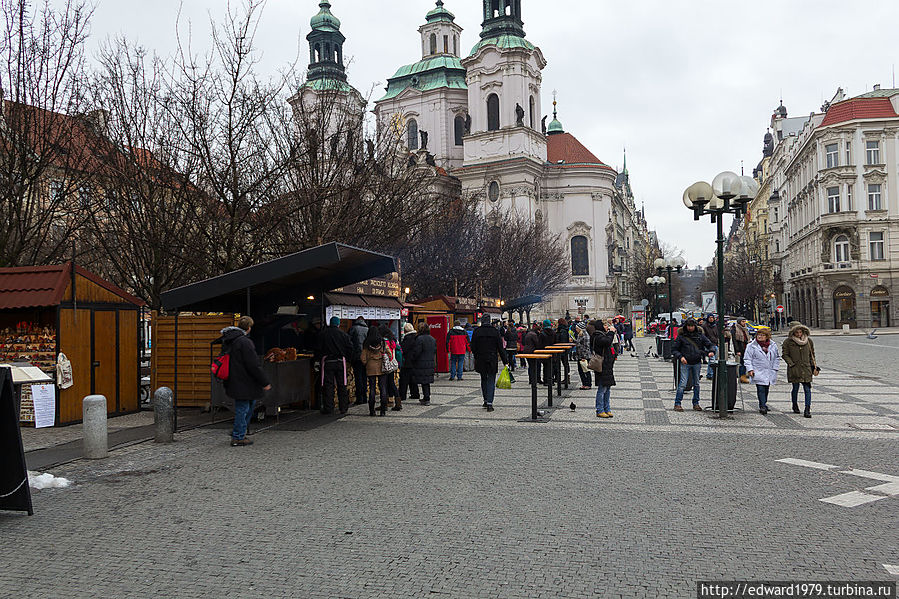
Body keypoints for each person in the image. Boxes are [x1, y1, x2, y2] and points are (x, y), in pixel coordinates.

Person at [221, 316, 271, 446]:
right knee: (243, 408)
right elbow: (253, 365)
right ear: (249, 328)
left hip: (235, 379)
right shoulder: (244, 342)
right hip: (245, 381)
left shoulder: (229, 340)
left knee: (246, 407)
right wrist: (264, 381)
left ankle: (239, 431)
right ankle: (238, 436)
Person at [671, 318, 714, 412]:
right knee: (682, 383)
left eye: (692, 326)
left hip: (696, 362)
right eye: (689, 326)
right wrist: (680, 357)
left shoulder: (700, 336)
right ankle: (677, 403)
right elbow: (674, 349)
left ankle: (696, 403)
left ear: (695, 326)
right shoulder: (681, 336)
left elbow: (709, 344)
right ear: (686, 327)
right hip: (685, 362)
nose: (690, 328)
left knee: (696, 384)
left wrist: (711, 351)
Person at [470, 314, 508, 411]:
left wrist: (476, 354)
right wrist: (505, 361)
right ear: (490, 321)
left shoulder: (477, 331)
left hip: (481, 358)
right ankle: (490, 403)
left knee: (483, 379)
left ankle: (486, 400)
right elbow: (500, 347)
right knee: (491, 379)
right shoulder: (494, 331)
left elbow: (473, 347)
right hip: (492, 358)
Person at [782, 323, 818, 418]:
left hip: (806, 368)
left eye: (800, 332)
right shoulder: (788, 342)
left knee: (807, 389)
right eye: (797, 332)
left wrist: (813, 366)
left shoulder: (809, 341)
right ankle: (794, 404)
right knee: (795, 388)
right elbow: (785, 354)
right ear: (793, 332)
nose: (799, 334)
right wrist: (791, 364)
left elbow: (812, 354)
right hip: (795, 368)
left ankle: (807, 409)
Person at [318, 316, 353, 415]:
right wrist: (348, 358)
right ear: (338, 324)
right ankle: (343, 408)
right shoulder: (344, 335)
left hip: (327, 361)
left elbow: (318, 348)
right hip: (340, 361)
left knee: (328, 385)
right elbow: (350, 348)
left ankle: (328, 408)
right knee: (342, 385)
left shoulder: (323, 334)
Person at [743, 328, 780, 415]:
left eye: (762, 335)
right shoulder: (751, 346)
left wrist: (775, 368)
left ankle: (764, 403)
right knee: (760, 388)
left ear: (767, 337)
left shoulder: (773, 345)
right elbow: (747, 359)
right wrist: (750, 369)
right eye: (759, 335)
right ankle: (762, 405)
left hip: (769, 370)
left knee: (766, 388)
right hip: (758, 370)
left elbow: (777, 357)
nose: (760, 337)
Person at [360, 327, 388, 416]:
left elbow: (363, 358)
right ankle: (383, 411)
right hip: (381, 366)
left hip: (370, 366)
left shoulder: (366, 343)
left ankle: (372, 411)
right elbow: (388, 353)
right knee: (383, 388)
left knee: (372, 388)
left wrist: (366, 363)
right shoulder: (382, 342)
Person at [407, 323, 436, 405]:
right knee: (426, 381)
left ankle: (426, 398)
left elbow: (417, 352)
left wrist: (412, 359)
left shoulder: (419, 339)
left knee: (424, 381)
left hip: (421, 363)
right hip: (430, 362)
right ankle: (427, 397)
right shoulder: (432, 339)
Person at [592, 321, 616, 417]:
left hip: (607, 365)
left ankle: (607, 408)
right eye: (605, 325)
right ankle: (600, 410)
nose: (607, 327)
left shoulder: (602, 335)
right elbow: (607, 342)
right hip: (602, 365)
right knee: (602, 389)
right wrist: (611, 332)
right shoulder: (597, 336)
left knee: (608, 388)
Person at [348, 317, 369, 405]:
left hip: (356, 357)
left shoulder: (353, 329)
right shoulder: (367, 329)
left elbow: (349, 342)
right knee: (364, 377)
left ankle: (359, 398)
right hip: (365, 357)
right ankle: (365, 397)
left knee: (358, 377)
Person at [398, 323, 420, 407]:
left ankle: (402, 395)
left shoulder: (408, 338)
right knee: (412, 379)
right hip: (414, 361)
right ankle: (415, 393)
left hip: (407, 361)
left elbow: (404, 349)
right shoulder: (416, 336)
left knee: (404, 379)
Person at [379, 324, 400, 408]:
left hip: (385, 364)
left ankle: (385, 403)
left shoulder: (384, 341)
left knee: (385, 384)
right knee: (391, 383)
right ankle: (396, 401)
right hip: (391, 364)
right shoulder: (392, 340)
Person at [700, 314, 722, 380]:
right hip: (708, 344)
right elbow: (703, 336)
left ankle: (709, 373)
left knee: (713, 360)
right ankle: (711, 374)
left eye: (712, 317)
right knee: (712, 359)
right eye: (710, 318)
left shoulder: (715, 326)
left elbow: (717, 335)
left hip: (715, 344)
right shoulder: (704, 326)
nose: (711, 319)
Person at [731, 317, 751, 383]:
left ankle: (744, 375)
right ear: (739, 322)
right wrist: (737, 351)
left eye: (745, 321)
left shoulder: (745, 328)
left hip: (746, 348)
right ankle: (742, 377)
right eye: (743, 321)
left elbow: (747, 338)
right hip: (740, 348)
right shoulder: (735, 329)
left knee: (746, 362)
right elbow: (735, 341)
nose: (744, 323)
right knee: (742, 363)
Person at [574, 321, 592, 390]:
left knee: (586, 370)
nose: (576, 329)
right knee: (581, 371)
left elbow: (586, 347)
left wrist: (583, 357)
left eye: (577, 328)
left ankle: (588, 384)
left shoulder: (585, 335)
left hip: (584, 356)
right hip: (580, 355)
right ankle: (584, 383)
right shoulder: (580, 335)